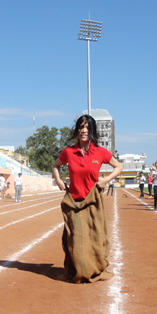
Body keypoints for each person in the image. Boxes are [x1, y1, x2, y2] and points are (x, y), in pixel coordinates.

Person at [52, 114, 123, 284]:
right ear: (77, 130)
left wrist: (105, 180)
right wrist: (59, 180)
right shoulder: (69, 152)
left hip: (93, 201)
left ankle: (95, 267)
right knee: (75, 238)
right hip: (74, 202)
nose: (84, 131)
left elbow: (118, 166)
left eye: (87, 128)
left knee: (96, 238)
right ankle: (79, 269)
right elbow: (56, 165)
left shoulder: (100, 151)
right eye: (81, 127)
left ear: (92, 131)